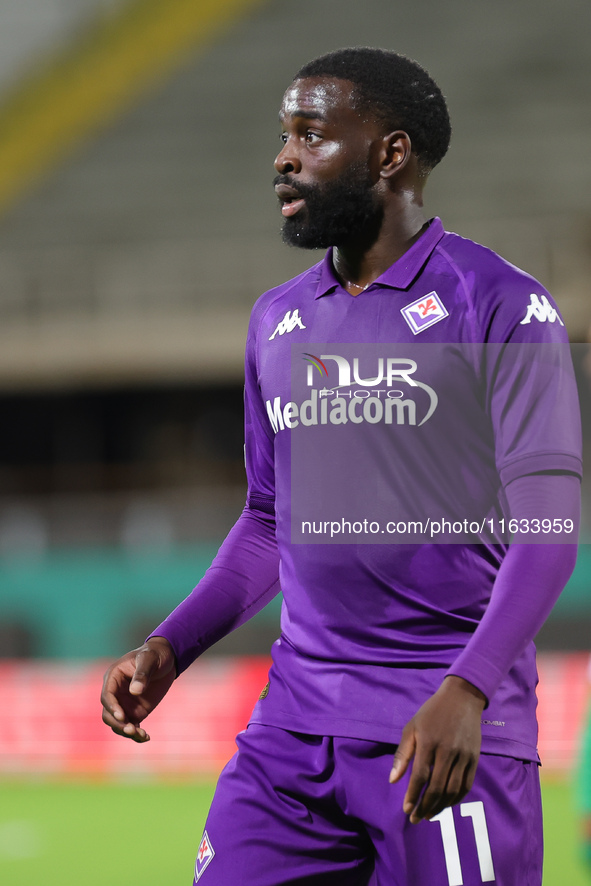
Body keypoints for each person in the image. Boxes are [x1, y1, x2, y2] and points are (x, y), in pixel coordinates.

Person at [101, 48, 582, 885]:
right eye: (285, 134)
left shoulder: (498, 304)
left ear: (390, 154)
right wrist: (171, 646)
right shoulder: (277, 321)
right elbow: (265, 522)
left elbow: (548, 528)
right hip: (291, 736)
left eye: (311, 135)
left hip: (441, 733)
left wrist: (467, 691)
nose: (282, 156)